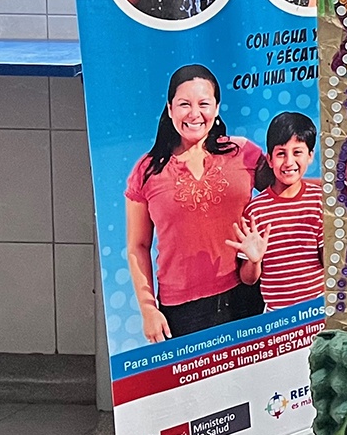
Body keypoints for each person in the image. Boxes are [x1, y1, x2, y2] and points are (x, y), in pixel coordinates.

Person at [125, 66, 265, 341]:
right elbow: (137, 246)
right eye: (184, 104)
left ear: (217, 108)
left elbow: (288, 188)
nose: (194, 113)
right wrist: (148, 309)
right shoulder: (146, 171)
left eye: (203, 104)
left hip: (247, 294)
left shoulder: (243, 152)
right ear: (169, 109)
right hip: (182, 313)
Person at [231, 111, 323, 310]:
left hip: (319, 309)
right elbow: (248, 279)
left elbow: (330, 263)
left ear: (310, 156)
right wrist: (254, 260)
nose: (289, 162)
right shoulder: (255, 211)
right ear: (270, 159)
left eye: (297, 152)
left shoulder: (320, 201)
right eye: (281, 153)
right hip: (276, 316)